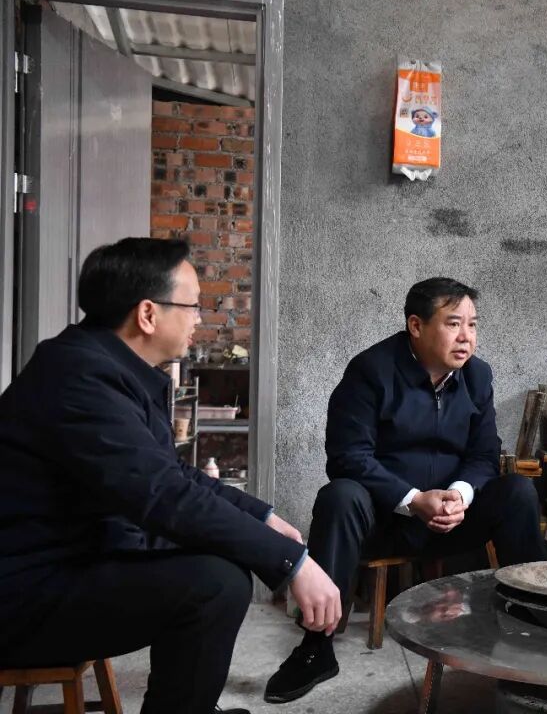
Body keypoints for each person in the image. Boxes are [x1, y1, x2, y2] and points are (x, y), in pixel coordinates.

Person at [0, 238, 339, 714]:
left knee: (217, 566)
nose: (200, 319)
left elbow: (170, 474)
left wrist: (262, 518)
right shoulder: (81, 378)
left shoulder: (102, 364)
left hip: (72, 560)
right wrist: (293, 564)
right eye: (193, 306)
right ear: (147, 313)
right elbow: (164, 496)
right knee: (215, 585)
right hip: (24, 594)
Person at [264, 277, 547, 704]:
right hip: (386, 522)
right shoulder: (371, 371)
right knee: (340, 495)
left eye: (472, 324)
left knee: (518, 491)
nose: (466, 337)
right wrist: (413, 500)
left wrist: (460, 495)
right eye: (453, 323)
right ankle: (315, 647)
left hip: (452, 521)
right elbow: (348, 457)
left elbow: (485, 455)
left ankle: (535, 628)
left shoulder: (477, 375)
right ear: (416, 325)